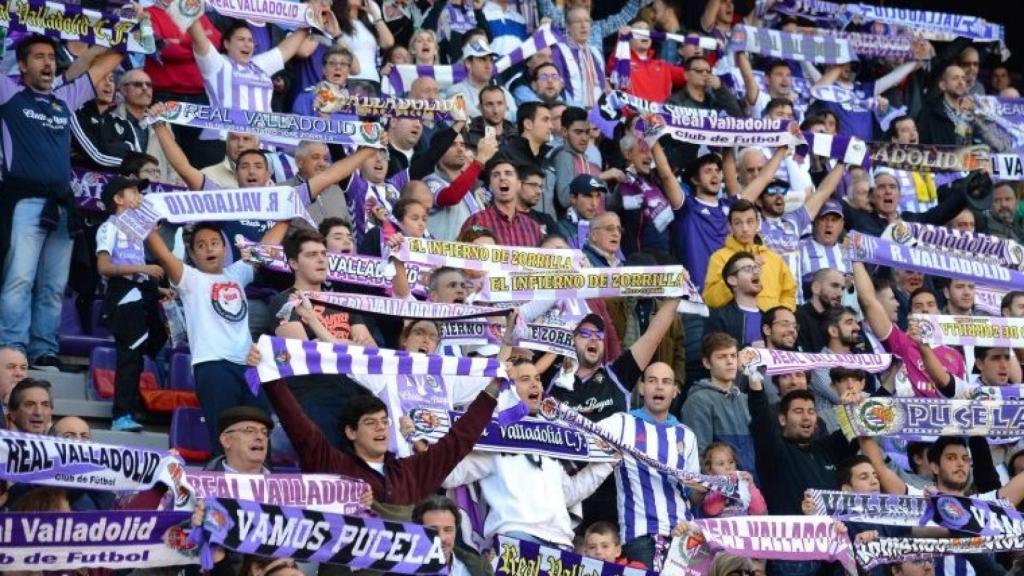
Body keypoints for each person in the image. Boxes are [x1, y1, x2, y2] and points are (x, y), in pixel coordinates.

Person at [0, 36, 124, 371]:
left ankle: (43, 349)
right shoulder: (9, 94)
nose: (47, 63)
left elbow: (106, 65)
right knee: (19, 279)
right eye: (38, 57)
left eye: (51, 57)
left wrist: (125, 32)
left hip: (62, 207)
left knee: (54, 286)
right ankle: (12, 348)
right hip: (23, 202)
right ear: (22, 65)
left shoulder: (64, 98)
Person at [442, 360, 616, 548]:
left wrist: (608, 463)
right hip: (518, 537)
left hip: (560, 541)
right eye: (525, 379)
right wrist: (422, 446)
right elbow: (451, 475)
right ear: (507, 388)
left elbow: (568, 493)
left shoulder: (551, 435)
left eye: (538, 379)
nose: (535, 384)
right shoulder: (492, 434)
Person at [597, 361, 700, 567]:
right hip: (641, 536)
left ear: (675, 391)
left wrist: (703, 491)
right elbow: (582, 435)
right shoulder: (621, 424)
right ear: (642, 388)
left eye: (666, 382)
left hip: (683, 538)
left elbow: (692, 495)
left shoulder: (686, 435)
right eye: (652, 381)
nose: (659, 387)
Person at [95, 177, 168, 432]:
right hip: (123, 297)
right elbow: (104, 267)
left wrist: (157, 289)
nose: (139, 195)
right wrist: (143, 267)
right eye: (134, 191)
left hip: (141, 293)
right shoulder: (109, 227)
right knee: (130, 356)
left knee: (158, 337)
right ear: (118, 198)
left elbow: (136, 272)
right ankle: (121, 415)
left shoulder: (136, 229)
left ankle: (130, 406)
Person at [702, 199, 797, 311]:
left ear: (757, 224)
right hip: (738, 324)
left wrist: (780, 316)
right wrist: (736, 274)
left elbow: (789, 294)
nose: (745, 228)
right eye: (738, 223)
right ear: (730, 226)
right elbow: (710, 299)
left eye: (750, 221)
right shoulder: (719, 258)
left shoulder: (774, 259)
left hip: (771, 324)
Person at [680, 332, 755, 474]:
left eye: (733, 356)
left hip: (752, 486)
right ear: (707, 363)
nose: (730, 361)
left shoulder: (745, 399)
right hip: (720, 490)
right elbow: (701, 455)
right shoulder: (698, 402)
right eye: (722, 356)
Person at [459, 157, 544, 247]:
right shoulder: (477, 221)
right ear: (490, 186)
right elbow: (463, 257)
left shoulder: (533, 228)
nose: (502, 178)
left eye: (508, 174)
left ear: (519, 184)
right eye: (496, 175)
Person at [412, 496, 491, 576]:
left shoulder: (480, 568)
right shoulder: (403, 570)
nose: (442, 538)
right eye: (433, 530)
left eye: (448, 530)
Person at [550, 7, 606, 109]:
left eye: (587, 21)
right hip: (573, 113)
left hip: (599, 113)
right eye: (577, 21)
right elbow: (556, 88)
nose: (583, 26)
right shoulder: (558, 51)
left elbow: (603, 86)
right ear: (567, 26)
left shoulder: (596, 52)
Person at [704, 252, 764, 346]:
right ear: (732, 280)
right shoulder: (719, 318)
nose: (755, 272)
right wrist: (750, 348)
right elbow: (714, 352)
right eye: (748, 269)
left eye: (756, 268)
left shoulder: (769, 318)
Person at [701, 442, 767, 518]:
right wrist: (726, 487)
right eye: (721, 464)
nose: (728, 467)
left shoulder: (742, 484)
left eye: (731, 462)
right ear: (710, 470)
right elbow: (711, 511)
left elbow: (760, 512)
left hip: (742, 527)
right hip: (720, 528)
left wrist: (751, 486)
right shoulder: (710, 488)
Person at [205, 406, 274, 474]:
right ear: (226, 440)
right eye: (249, 431)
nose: (260, 437)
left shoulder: (281, 483)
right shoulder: (201, 484)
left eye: (264, 432)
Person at [795, 268, 845, 353]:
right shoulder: (797, 317)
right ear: (816, 288)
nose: (840, 294)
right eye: (834, 286)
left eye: (842, 288)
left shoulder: (838, 321)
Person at [558, 175, 606, 249]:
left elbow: (619, 259)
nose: (594, 203)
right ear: (573, 198)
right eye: (588, 196)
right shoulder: (559, 229)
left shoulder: (604, 228)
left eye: (597, 196)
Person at [582, 522, 647, 568]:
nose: (598, 552)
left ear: (617, 551)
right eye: (592, 547)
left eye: (605, 546)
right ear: (585, 553)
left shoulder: (634, 568)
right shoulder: (579, 570)